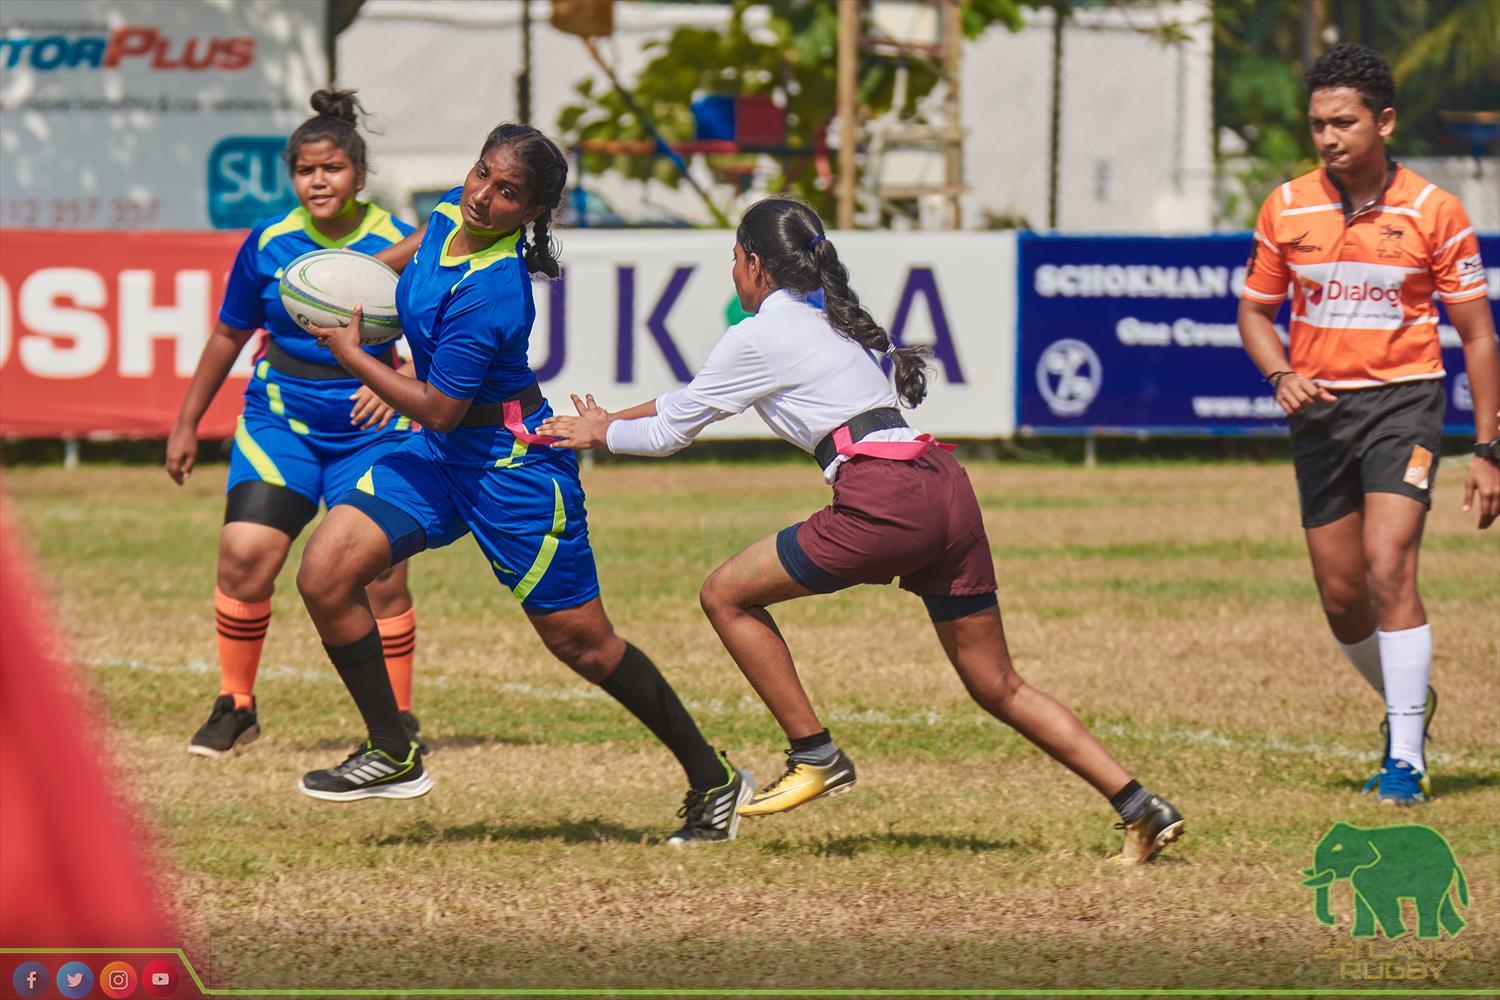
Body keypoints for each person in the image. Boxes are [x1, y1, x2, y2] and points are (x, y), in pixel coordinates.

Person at [540, 198, 1185, 864]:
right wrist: (611, 419)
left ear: (756, 265)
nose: (732, 270)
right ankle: (1139, 804)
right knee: (999, 684)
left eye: (735, 258)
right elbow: (689, 399)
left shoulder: (757, 335)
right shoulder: (825, 323)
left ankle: (815, 754)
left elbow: (673, 432)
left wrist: (602, 434)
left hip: (885, 497)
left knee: (724, 595)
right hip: (943, 483)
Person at [292, 123, 750, 846]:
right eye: (482, 174)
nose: (483, 195)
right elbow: (402, 259)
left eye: (507, 192)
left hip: (512, 470)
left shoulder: (497, 291)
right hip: (442, 459)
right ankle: (392, 750)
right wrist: (332, 288)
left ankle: (713, 778)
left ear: (532, 212)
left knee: (585, 646)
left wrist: (352, 353)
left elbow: (440, 405)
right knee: (324, 572)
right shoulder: (451, 208)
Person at [1237, 43, 1499, 806]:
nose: (1328, 137)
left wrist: (1488, 448)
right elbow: (1255, 312)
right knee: (1343, 596)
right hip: (1320, 414)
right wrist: (1281, 372)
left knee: (1390, 566)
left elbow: (1479, 336)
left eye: (1343, 122)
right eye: (1317, 123)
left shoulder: (1434, 211)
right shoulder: (1285, 207)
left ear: (1382, 121)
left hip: (1405, 403)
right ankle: (1410, 701)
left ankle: (1407, 759)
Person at [167, 89, 424, 758]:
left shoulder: (396, 241)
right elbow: (229, 334)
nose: (318, 181)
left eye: (333, 168)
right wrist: (186, 422)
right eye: (306, 170)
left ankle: (396, 719)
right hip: (281, 421)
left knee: (380, 576)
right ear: (293, 177)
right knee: (246, 556)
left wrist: (406, 392)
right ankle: (237, 706)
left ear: (359, 177)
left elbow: (444, 335)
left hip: (371, 429)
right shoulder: (269, 242)